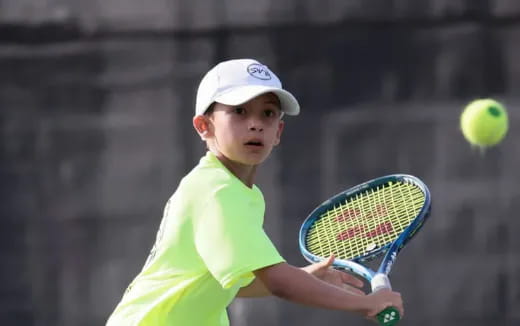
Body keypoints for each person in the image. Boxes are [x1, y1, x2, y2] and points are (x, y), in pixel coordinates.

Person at [106, 58, 403, 326]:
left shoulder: (242, 192)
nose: (255, 125)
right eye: (239, 111)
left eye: (268, 114)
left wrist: (306, 276)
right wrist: (365, 303)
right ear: (203, 126)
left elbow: (235, 282)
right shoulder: (215, 190)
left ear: (278, 133)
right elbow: (279, 283)